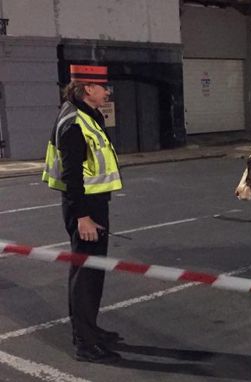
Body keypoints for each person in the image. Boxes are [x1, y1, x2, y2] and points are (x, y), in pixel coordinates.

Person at [42, 64, 124, 363]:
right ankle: (85, 344)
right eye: (103, 86)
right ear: (88, 88)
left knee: (91, 272)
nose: (107, 91)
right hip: (85, 208)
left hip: (94, 204)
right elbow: (72, 174)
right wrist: (82, 217)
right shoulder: (74, 121)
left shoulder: (88, 115)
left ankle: (90, 330)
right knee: (85, 275)